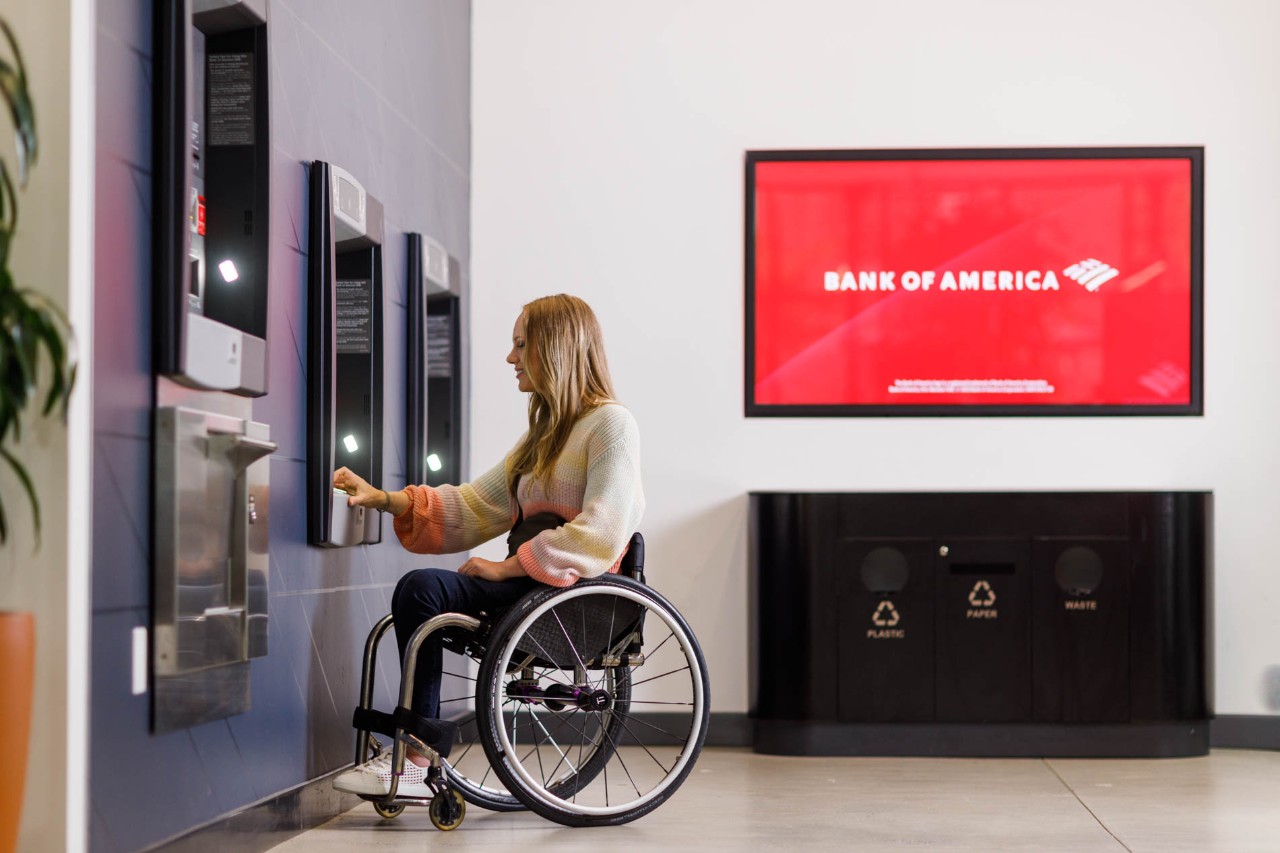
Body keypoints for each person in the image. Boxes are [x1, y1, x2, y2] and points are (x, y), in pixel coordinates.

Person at [332, 294, 644, 799]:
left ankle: (414, 757)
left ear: (556, 347)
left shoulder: (611, 425)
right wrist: (386, 499)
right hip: (527, 589)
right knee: (422, 592)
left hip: (570, 599)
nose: (510, 357)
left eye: (522, 344)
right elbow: (477, 504)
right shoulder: (543, 436)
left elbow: (604, 531)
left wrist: (508, 568)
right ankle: (415, 754)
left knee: (423, 589)